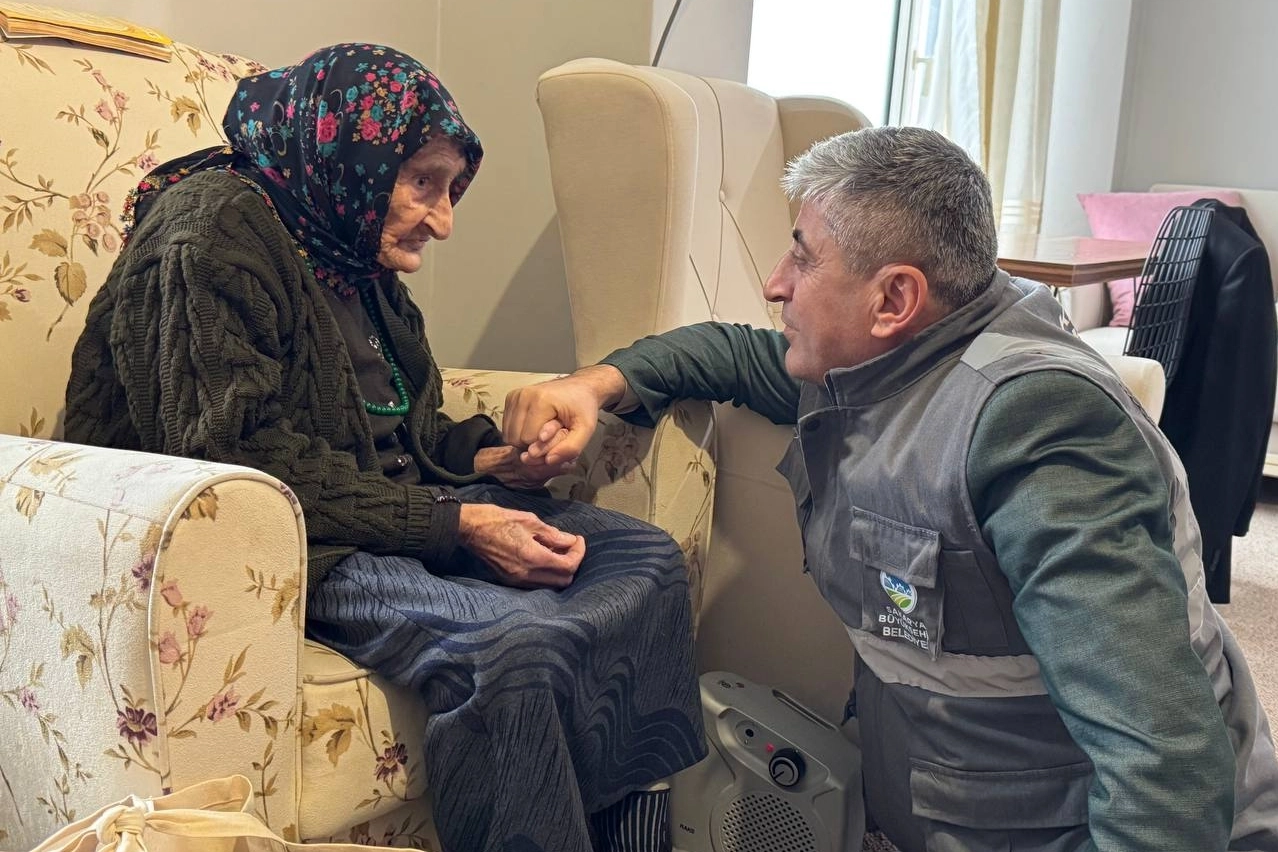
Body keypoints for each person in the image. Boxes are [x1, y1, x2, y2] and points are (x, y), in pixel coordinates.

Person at [502, 126, 1278, 852]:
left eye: (802, 259)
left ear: (894, 300)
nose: (775, 284)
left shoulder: (1039, 426)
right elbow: (732, 354)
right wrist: (595, 384)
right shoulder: (885, 360)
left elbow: (1163, 760)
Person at [64, 43, 705, 852]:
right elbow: (235, 456)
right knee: (511, 646)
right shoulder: (211, 236)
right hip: (302, 538)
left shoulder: (345, 243)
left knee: (648, 560)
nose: (443, 220)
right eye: (423, 184)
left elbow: (408, 426)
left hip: (401, 504)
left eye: (451, 189)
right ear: (352, 156)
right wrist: (457, 524)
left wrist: (491, 463)